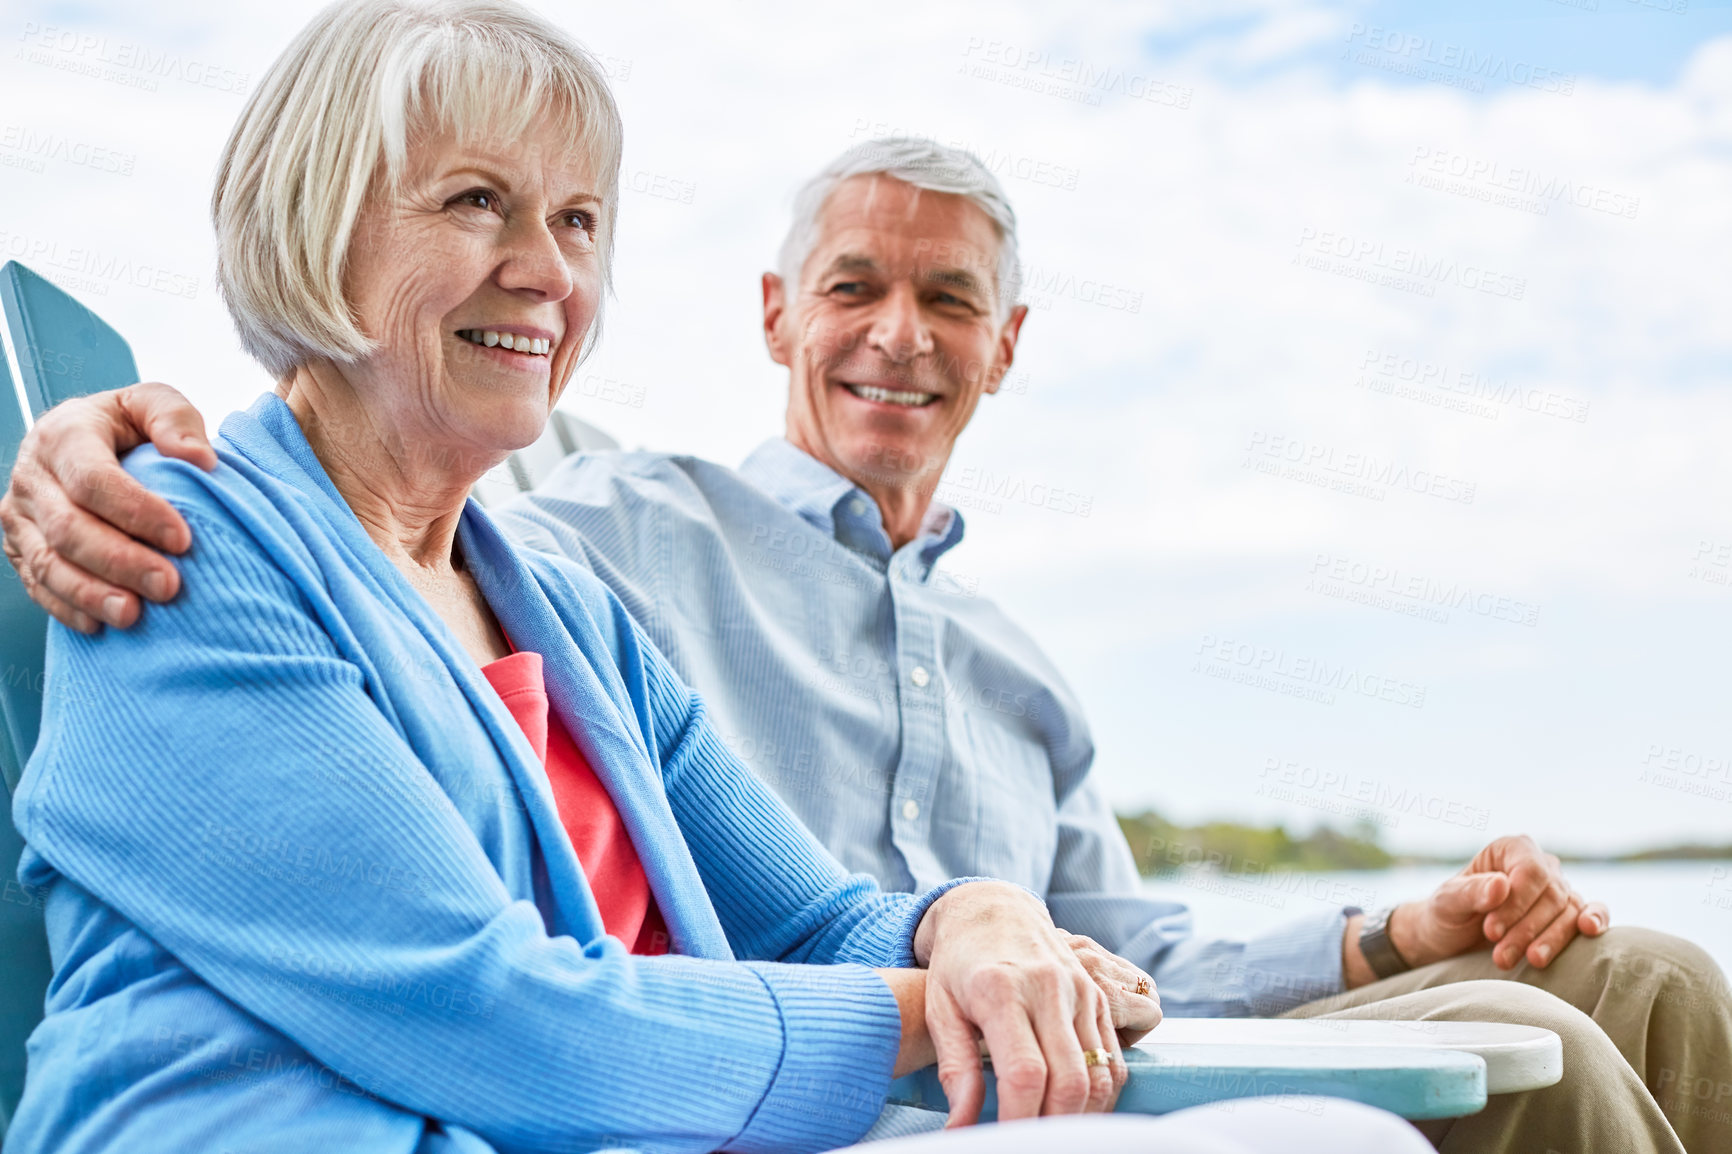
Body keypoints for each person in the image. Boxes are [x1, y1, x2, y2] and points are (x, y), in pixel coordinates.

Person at [1, 41, 1721, 1154]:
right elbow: (493, 1010)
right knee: (1465, 1088)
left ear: (1009, 347)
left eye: (582, 220)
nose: (551, 266)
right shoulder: (230, 542)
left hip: (692, 1102)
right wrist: (70, 443)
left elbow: (842, 912)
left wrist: (974, 919)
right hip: (478, 1111)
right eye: (477, 202)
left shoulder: (563, 598)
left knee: (1645, 984)